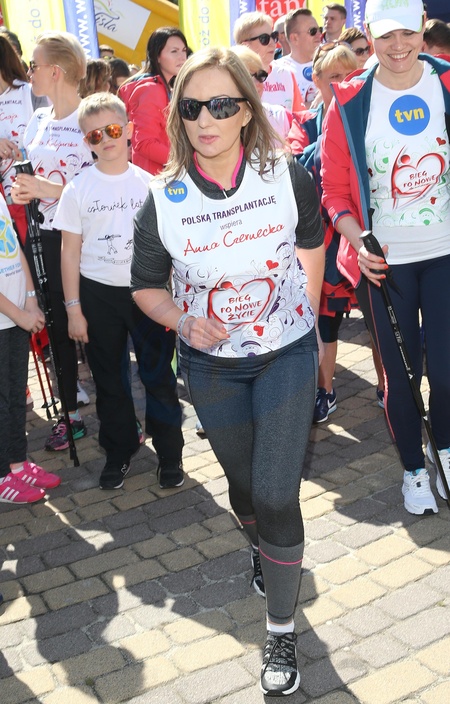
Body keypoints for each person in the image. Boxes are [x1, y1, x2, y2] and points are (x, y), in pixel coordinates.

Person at [131, 46, 324, 696]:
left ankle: (280, 629)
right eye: (192, 108)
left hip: (286, 355)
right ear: (177, 116)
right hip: (213, 369)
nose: (206, 120)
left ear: (246, 109)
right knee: (245, 490)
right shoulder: (163, 198)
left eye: (221, 105)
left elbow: (312, 241)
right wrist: (182, 321)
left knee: (275, 492)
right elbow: (145, 285)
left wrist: (306, 318)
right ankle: (262, 547)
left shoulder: (285, 174)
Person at [321, 0, 450, 514]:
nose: (398, 46)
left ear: (422, 29)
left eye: (407, 33)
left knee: (447, 373)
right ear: (369, 35)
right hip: (383, 266)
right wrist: (359, 241)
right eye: (385, 35)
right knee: (402, 377)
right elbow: (334, 192)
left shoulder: (445, 83)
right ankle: (414, 471)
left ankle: (444, 449)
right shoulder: (351, 99)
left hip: (444, 254)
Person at [55, 92, 184, 490]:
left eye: (112, 130)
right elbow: (69, 251)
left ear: (128, 130)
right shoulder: (77, 189)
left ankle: (170, 453)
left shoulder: (151, 185)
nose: (106, 139)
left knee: (158, 376)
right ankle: (119, 449)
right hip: (97, 296)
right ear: (86, 142)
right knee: (109, 380)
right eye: (95, 135)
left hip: (148, 292)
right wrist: (73, 309)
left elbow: (169, 245)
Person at [288, 43, 385, 422]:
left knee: (379, 322)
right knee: (324, 324)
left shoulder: (371, 115)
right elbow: (296, 168)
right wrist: (330, 135)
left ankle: (387, 386)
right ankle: (324, 390)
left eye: (349, 75)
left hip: (364, 237)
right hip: (323, 243)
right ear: (316, 80)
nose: (343, 83)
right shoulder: (304, 122)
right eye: (334, 77)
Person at [11, 31, 94, 451]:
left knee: (93, 324)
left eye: (34, 65)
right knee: (57, 325)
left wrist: (47, 188)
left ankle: (119, 413)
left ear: (56, 71)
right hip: (42, 235)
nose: (29, 73)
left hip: (84, 239)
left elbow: (101, 188)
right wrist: (22, 186)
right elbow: (32, 175)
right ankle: (70, 414)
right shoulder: (38, 118)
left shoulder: (90, 118)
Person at [0, 192, 61, 504]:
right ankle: (2, 477)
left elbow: (15, 249)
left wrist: (31, 299)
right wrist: (19, 314)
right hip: (7, 317)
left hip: (15, 317)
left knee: (14, 396)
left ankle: (17, 463)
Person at [119, 27, 188, 175]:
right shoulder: (151, 90)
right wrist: (185, 162)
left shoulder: (163, 87)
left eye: (184, 50)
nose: (182, 57)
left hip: (165, 174)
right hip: (155, 177)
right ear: (157, 56)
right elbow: (145, 143)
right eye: (174, 51)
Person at [234, 11, 305, 112]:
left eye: (273, 36)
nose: (272, 43)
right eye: (264, 39)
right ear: (245, 45)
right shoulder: (235, 77)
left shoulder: (286, 74)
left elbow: (300, 116)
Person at [231, 45, 292, 142]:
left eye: (260, 75)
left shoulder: (282, 117)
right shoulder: (218, 120)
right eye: (248, 77)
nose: (257, 83)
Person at [277, 9, 322, 107]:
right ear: (294, 38)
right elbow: (283, 111)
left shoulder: (330, 64)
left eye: (320, 30)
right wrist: (319, 104)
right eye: (312, 31)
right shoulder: (278, 70)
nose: (319, 35)